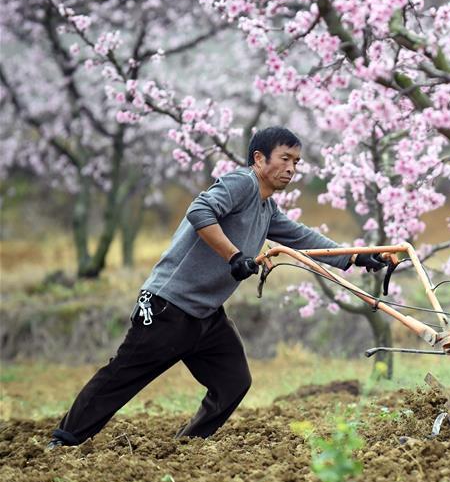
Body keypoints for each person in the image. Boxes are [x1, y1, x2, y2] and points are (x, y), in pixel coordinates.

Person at [48, 126, 387, 448]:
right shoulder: (242, 183)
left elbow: (302, 237)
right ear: (258, 159)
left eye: (296, 162)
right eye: (284, 158)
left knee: (233, 382)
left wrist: (356, 257)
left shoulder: (266, 207)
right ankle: (64, 440)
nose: (291, 168)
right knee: (122, 377)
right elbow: (200, 210)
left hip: (206, 315)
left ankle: (189, 445)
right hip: (169, 306)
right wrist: (234, 256)